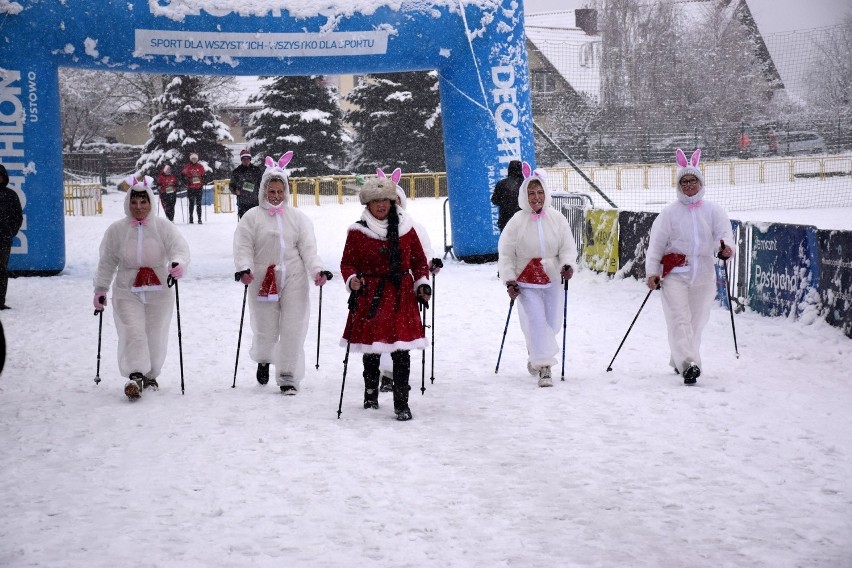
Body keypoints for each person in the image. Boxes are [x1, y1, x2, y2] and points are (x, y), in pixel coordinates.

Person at [233, 151, 329, 394]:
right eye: (271, 191)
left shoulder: (298, 218)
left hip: (294, 278)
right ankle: (265, 357)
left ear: (286, 192)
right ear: (264, 191)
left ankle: (287, 374)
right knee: (266, 326)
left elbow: (308, 248)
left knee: (292, 326)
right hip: (262, 279)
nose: (276, 197)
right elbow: (243, 246)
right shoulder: (251, 217)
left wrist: (316, 269)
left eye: (280, 191)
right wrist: (243, 267)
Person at [340, 176, 432, 421]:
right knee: (372, 349)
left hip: (401, 295)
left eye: (385, 200)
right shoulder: (357, 231)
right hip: (371, 296)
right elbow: (347, 263)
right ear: (367, 204)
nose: (381, 205)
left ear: (393, 202)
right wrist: (352, 280)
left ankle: (401, 402)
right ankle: (370, 392)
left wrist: (422, 284)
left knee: (401, 351)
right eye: (375, 201)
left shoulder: (406, 229)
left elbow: (419, 263)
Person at [93, 175, 190, 400]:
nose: (139, 207)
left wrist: (178, 264)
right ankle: (136, 374)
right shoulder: (117, 230)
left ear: (151, 203)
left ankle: (151, 373)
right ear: (128, 203)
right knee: (132, 329)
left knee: (155, 332)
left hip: (159, 288)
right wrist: (101, 289)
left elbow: (179, 248)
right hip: (127, 287)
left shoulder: (162, 226)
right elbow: (107, 260)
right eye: (134, 202)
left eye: (143, 202)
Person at [645, 148, 733, 386]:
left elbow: (723, 236)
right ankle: (689, 365)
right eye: (684, 181)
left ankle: (679, 358)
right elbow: (656, 246)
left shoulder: (713, 211)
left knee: (696, 321)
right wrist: (652, 272)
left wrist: (725, 249)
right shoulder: (669, 214)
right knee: (679, 318)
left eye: (693, 180)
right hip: (675, 274)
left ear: (700, 182)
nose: (689, 185)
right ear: (678, 185)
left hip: (704, 274)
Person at [497, 163, 578, 388]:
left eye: (540, 192)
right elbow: (506, 252)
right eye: (531, 193)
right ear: (524, 195)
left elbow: (568, 248)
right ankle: (544, 366)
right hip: (526, 280)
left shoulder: (557, 219)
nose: (536, 197)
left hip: (551, 278)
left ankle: (535, 351)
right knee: (536, 320)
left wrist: (567, 265)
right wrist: (510, 279)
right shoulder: (516, 221)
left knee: (552, 322)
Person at [374, 168, 443, 393]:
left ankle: (396, 373)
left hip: (405, 289)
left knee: (401, 332)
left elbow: (423, 254)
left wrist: (430, 268)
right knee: (383, 330)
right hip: (381, 289)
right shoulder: (373, 228)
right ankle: (386, 373)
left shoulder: (413, 227)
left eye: (396, 200)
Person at [0, 164, 24, 310]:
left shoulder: (10, 195)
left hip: (3, 240)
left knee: (1, 270)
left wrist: (9, 232)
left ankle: (0, 301)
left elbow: (17, 217)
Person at [491, 159, 524, 232]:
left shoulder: (501, 183)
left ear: (509, 169)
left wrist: (505, 202)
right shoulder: (525, 184)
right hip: (522, 220)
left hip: (505, 220)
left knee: (506, 242)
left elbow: (494, 200)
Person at [230, 149, 263, 219]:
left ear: (250, 159)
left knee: (255, 224)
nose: (246, 160)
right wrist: (235, 190)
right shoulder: (236, 171)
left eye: (247, 159)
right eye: (244, 159)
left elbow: (261, 184)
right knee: (244, 225)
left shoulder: (256, 170)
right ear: (241, 160)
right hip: (242, 203)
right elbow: (231, 185)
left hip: (255, 202)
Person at [181, 152, 206, 224]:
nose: (194, 160)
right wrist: (186, 181)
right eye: (193, 158)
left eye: (195, 158)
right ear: (190, 159)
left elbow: (204, 175)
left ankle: (199, 218)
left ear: (197, 159)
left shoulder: (200, 166)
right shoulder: (187, 166)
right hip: (191, 188)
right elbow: (182, 175)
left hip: (199, 187)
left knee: (199, 204)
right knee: (191, 203)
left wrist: (204, 179)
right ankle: (191, 218)